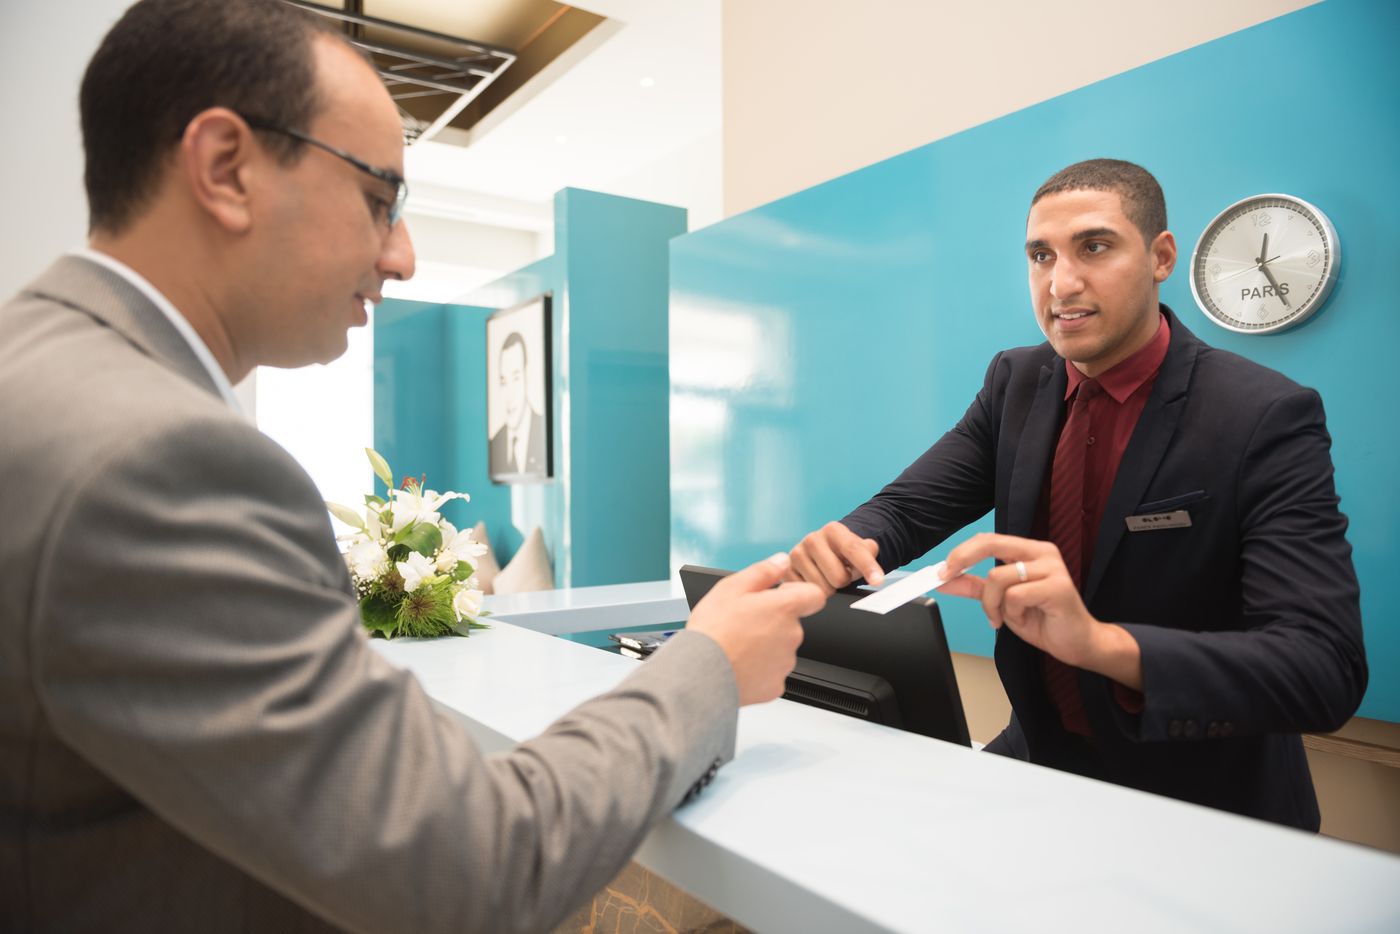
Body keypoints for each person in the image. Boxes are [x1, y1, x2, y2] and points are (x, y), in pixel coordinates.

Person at [0, 1, 824, 931]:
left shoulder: (39, 373)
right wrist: (707, 665)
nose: (402, 256)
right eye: (378, 198)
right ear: (226, 168)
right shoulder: (161, 460)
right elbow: (467, 866)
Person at [787, 158, 1367, 831]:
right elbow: (909, 508)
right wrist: (853, 538)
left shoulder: (1261, 414)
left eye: (1094, 247)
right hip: (1040, 760)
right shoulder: (1017, 382)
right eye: (1041, 256)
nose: (1060, 284)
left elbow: (1322, 669)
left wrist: (1100, 645)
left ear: (1160, 256)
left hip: (1205, 803)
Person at [489, 331, 548, 477]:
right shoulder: (495, 444)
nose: (509, 394)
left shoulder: (543, 433)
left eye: (516, 378)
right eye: (503, 381)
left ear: (527, 375)